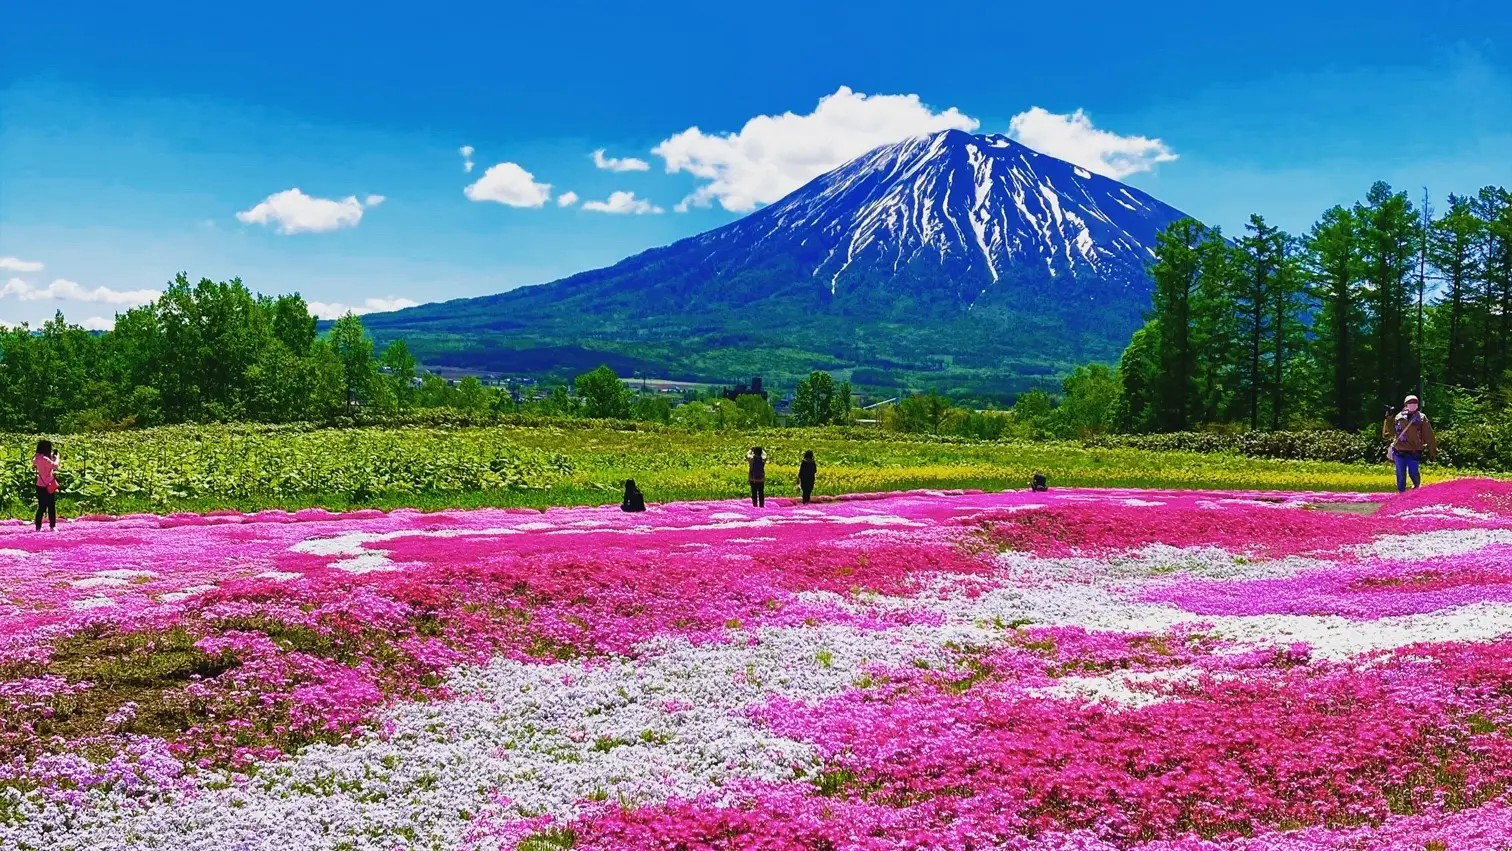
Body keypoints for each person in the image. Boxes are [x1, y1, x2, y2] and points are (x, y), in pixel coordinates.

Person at [1383, 394, 1437, 493]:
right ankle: (1401, 494)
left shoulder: (1421, 417)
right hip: (1400, 450)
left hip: (1414, 450)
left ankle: (1417, 491)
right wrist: (1388, 418)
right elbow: (1389, 433)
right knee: (1400, 474)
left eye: (1415, 403)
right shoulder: (1398, 416)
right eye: (1410, 403)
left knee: (1414, 472)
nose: (1413, 405)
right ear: (1405, 405)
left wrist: (1432, 450)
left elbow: (1429, 434)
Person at [34, 440, 59, 531]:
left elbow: (41, 465)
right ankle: (52, 526)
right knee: (51, 505)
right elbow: (55, 466)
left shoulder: (37, 458)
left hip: (40, 484)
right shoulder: (45, 459)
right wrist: (57, 458)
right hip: (48, 484)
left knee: (41, 506)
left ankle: (38, 527)